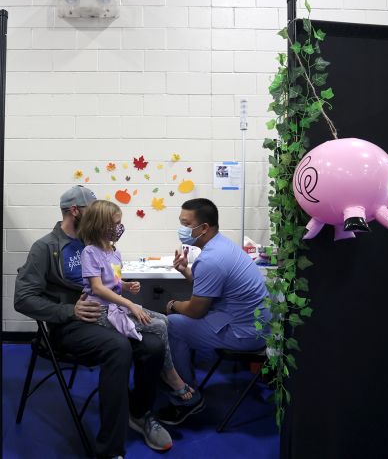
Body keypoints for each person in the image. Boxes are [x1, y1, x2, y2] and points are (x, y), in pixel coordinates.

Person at [14, 186, 172, 459]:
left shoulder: (97, 242)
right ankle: (110, 450)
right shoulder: (46, 247)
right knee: (118, 347)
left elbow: (108, 281)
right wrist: (67, 311)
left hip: (108, 315)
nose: (100, 213)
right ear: (75, 211)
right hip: (70, 325)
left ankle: (139, 413)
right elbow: (23, 298)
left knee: (154, 345)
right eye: (92, 207)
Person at [155, 198, 272, 426]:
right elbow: (211, 289)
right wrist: (186, 271)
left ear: (204, 227)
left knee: (173, 325)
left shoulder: (211, 259)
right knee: (178, 319)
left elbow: (196, 311)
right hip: (252, 324)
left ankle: (188, 399)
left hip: (246, 333)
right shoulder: (223, 246)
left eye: (186, 223)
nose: (182, 228)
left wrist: (171, 305)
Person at [76, 199, 196, 402]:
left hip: (116, 306)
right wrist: (130, 303)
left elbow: (113, 283)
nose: (119, 228)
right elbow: (97, 287)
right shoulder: (90, 252)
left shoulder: (114, 252)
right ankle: (169, 375)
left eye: (120, 223)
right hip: (100, 311)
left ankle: (163, 370)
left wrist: (126, 286)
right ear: (100, 225)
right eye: (115, 224)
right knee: (157, 326)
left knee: (165, 321)